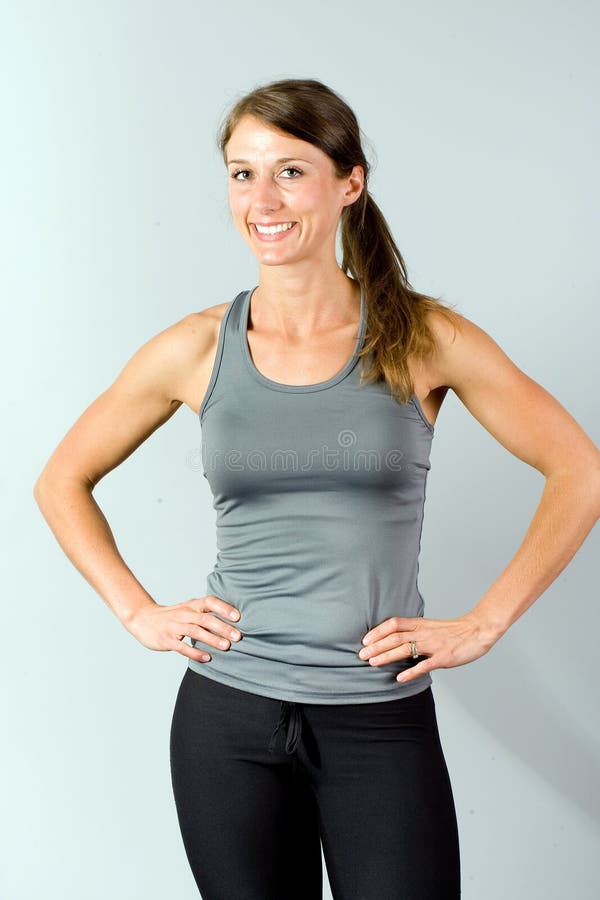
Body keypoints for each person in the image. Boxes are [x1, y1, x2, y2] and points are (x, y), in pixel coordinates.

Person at [33, 77, 600, 900]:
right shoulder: (197, 348)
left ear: (349, 183)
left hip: (377, 717)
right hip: (225, 718)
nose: (262, 198)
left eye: (291, 171)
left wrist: (486, 621)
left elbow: (579, 468)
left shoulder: (421, 336)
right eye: (241, 172)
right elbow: (61, 481)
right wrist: (136, 609)